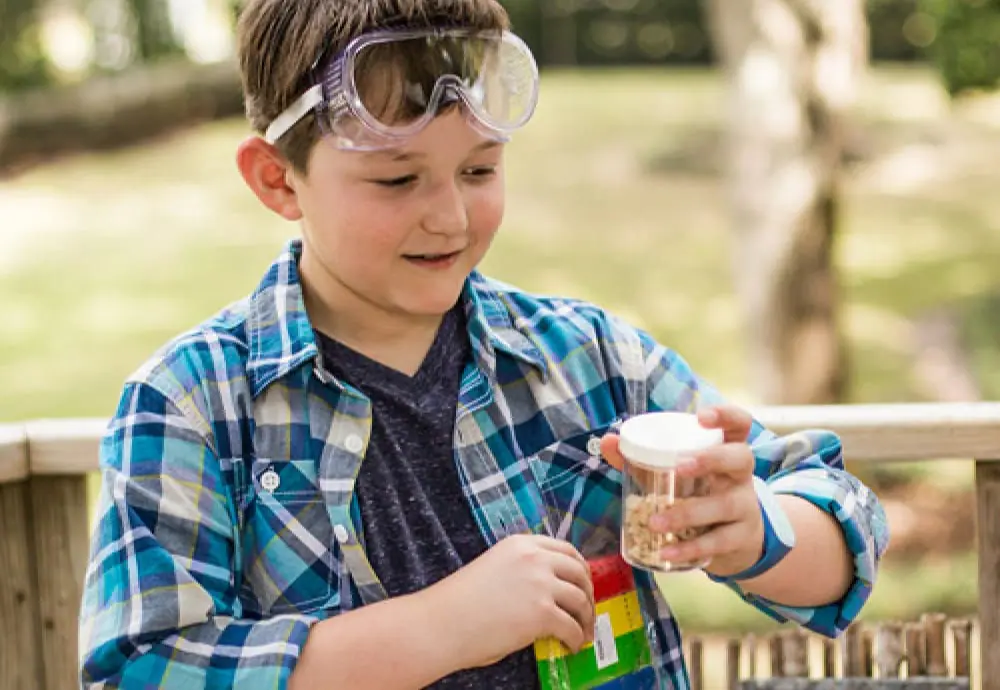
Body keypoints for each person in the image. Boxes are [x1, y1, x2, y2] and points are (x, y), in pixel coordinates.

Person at [78, 1, 890, 688]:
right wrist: (437, 628)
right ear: (277, 180)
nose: (451, 218)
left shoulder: (590, 358)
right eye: (397, 180)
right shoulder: (191, 404)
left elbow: (842, 523)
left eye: (480, 170)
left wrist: (757, 532)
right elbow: (141, 666)